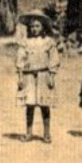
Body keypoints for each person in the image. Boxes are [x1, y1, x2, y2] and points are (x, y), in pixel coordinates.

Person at [15, 11, 61, 143]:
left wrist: (52, 75)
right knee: (30, 105)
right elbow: (20, 60)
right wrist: (20, 77)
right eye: (32, 26)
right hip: (29, 76)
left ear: (43, 28)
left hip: (43, 75)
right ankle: (28, 132)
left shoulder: (48, 42)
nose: (34, 29)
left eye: (37, 26)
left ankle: (46, 133)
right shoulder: (25, 42)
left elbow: (53, 59)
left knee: (44, 104)